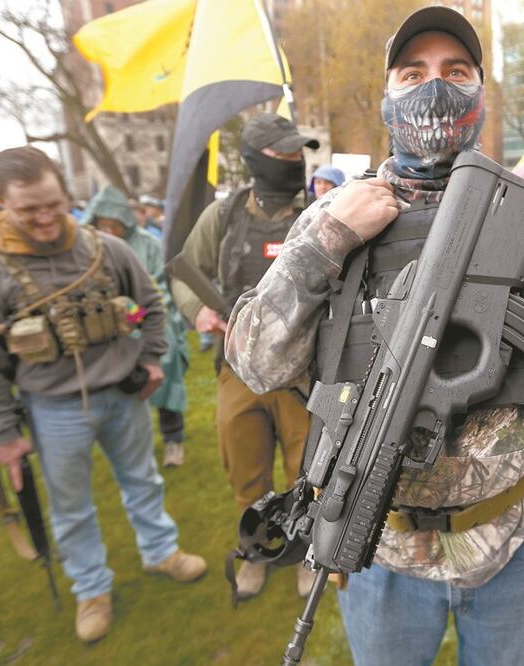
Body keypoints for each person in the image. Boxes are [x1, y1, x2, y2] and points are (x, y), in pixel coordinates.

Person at [225, 8, 524, 664]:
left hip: (507, 545)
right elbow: (254, 363)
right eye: (412, 72)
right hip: (380, 554)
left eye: (456, 72)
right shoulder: (333, 215)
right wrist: (329, 241)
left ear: (481, 95)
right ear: (386, 95)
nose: (434, 88)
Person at [0, 147, 205, 644]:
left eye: (52, 202)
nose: (45, 217)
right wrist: (2, 435)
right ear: (3, 203)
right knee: (71, 507)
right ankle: (91, 588)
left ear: (65, 192)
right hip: (54, 410)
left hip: (123, 396)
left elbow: (151, 303)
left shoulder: (104, 249)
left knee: (144, 481)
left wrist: (152, 358)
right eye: (28, 209)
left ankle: (161, 552)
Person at [170, 112, 317, 600]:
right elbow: (183, 273)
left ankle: (306, 555)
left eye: (301, 153)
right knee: (247, 473)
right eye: (285, 154)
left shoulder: (319, 211)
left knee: (308, 473)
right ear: (256, 161)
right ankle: (255, 553)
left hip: (305, 374)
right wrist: (199, 314)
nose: (296, 162)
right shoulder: (223, 216)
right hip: (238, 371)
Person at [82, 186, 190, 468]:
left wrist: (132, 315)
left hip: (149, 324)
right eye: (101, 224)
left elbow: (157, 290)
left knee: (165, 375)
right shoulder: (84, 249)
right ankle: (129, 448)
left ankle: (173, 439)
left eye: (113, 224)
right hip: (106, 334)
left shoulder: (147, 245)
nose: (107, 230)